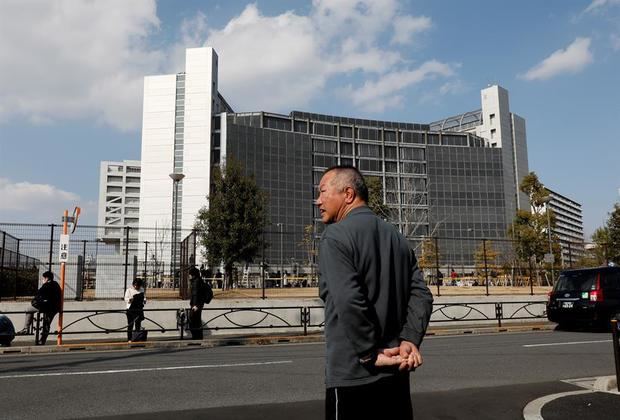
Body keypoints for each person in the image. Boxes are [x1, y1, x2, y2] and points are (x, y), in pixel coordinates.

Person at [316, 166, 433, 420]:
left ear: (348, 194)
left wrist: (370, 353)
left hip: (353, 374)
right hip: (396, 375)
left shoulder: (335, 237)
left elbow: (348, 300)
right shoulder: (398, 238)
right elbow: (421, 294)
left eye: (323, 192)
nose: (318, 200)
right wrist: (409, 340)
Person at [17, 271, 62, 344]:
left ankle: (26, 329)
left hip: (45, 307)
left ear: (46, 278)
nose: (42, 280)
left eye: (43, 278)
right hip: (55, 308)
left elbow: (38, 296)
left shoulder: (45, 286)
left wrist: (34, 302)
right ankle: (42, 340)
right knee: (47, 324)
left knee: (28, 309)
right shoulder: (56, 284)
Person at [188, 266, 207, 339]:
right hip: (199, 304)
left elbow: (195, 294)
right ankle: (198, 336)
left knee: (193, 320)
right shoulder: (199, 280)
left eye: (190, 274)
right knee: (197, 320)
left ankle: (196, 336)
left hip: (196, 305)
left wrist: (195, 305)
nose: (189, 276)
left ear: (193, 275)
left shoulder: (196, 282)